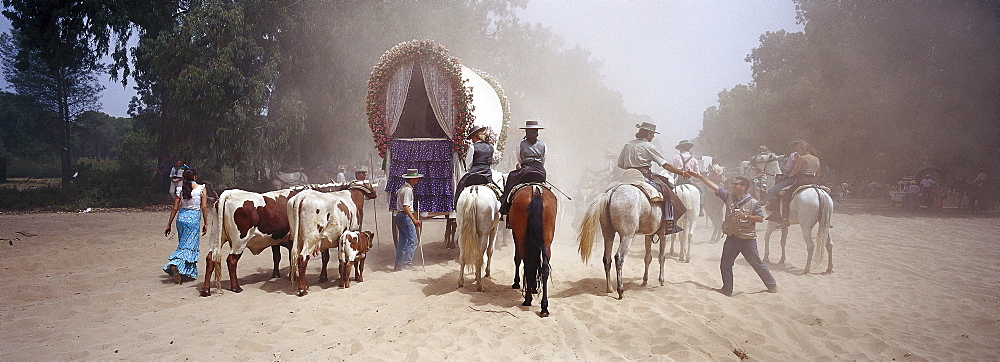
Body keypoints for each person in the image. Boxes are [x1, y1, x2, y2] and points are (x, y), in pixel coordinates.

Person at [695, 173, 778, 296]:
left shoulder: (753, 203)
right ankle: (727, 289)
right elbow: (715, 188)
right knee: (725, 264)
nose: (732, 186)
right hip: (732, 238)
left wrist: (746, 216)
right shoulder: (728, 197)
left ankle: (772, 285)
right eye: (732, 184)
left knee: (757, 263)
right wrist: (701, 178)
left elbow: (760, 218)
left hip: (747, 239)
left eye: (735, 184)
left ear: (744, 187)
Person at [617, 122, 694, 233]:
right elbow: (665, 165)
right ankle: (669, 222)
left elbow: (620, 164)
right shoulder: (649, 146)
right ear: (648, 133)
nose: (653, 136)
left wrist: (632, 166)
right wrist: (682, 173)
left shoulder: (627, 145)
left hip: (627, 177)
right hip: (644, 177)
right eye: (652, 134)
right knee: (667, 191)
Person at [163, 169, 208, 284]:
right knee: (190, 246)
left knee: (184, 244)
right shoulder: (201, 188)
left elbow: (174, 208)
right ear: (195, 177)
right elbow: (204, 207)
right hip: (193, 219)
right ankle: (176, 264)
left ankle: (186, 272)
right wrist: (206, 223)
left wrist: (169, 224)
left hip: (181, 218)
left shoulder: (180, 189)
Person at [500, 120, 547, 215]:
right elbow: (543, 160)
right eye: (531, 131)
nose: (532, 133)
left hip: (525, 170)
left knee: (511, 177)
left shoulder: (520, 144)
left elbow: (520, 159)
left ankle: (505, 207)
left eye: (533, 131)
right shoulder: (543, 145)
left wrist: (523, 166)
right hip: (540, 171)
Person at [776, 141, 820, 224]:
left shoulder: (801, 158)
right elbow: (818, 173)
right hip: (814, 180)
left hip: (803, 180)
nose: (798, 152)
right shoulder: (816, 158)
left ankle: (785, 219)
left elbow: (796, 171)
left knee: (786, 196)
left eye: (799, 150)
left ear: (803, 149)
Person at [455, 125, 495, 206]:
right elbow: (491, 161)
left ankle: (456, 204)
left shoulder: (473, 147)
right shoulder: (491, 147)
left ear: (475, 137)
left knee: (460, 186)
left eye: (472, 138)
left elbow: (468, 165)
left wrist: (471, 169)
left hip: (474, 175)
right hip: (487, 175)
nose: (472, 140)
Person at [395, 168, 423, 271]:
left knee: (402, 242)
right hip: (405, 216)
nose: (417, 180)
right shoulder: (408, 190)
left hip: (399, 216)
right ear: (411, 179)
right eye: (416, 178)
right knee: (413, 241)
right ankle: (407, 263)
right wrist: (414, 219)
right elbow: (406, 206)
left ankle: (398, 265)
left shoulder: (402, 188)